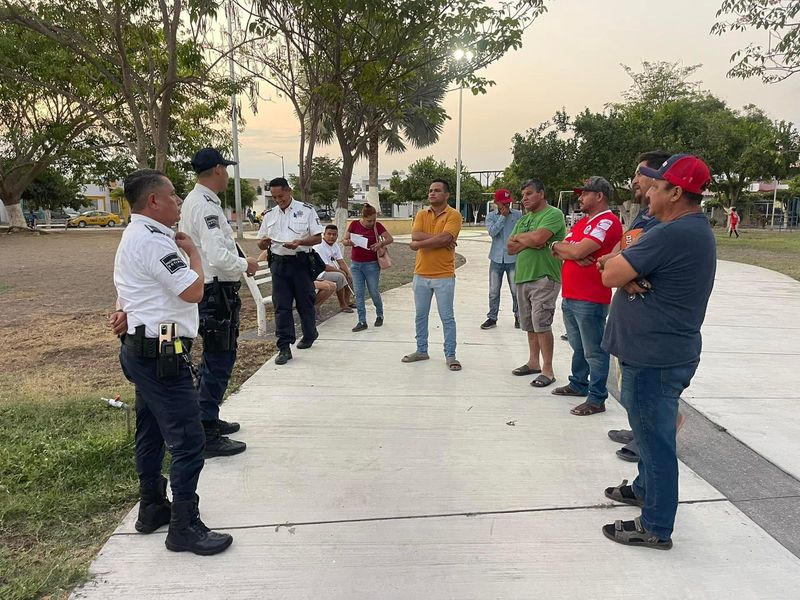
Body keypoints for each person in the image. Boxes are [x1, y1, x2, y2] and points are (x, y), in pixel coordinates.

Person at [112, 168, 232, 555]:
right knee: (189, 440)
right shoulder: (156, 243)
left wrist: (126, 311)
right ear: (153, 202)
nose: (179, 202)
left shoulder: (133, 235)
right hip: (161, 358)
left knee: (149, 430)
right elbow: (193, 290)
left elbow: (127, 288)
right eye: (174, 196)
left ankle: (152, 507)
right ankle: (184, 525)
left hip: (141, 350)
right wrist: (194, 252)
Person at [599, 154, 715, 550]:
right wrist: (626, 270)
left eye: (658, 186)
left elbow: (611, 272)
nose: (649, 191)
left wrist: (621, 270)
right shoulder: (684, 229)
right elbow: (621, 268)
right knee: (650, 435)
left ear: (676, 192)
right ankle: (644, 488)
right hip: (658, 353)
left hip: (655, 357)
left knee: (655, 442)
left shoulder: (672, 233)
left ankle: (655, 525)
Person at [178, 148, 257, 458]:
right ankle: (206, 431)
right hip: (215, 292)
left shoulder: (199, 201)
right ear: (217, 170)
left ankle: (206, 418)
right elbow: (218, 257)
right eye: (225, 168)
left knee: (216, 357)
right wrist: (245, 263)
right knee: (220, 359)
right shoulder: (205, 206)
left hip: (212, 290)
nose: (227, 174)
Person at [550, 176, 622, 415]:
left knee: (594, 350)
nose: (580, 198)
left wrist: (571, 251)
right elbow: (559, 247)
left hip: (591, 297)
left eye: (585, 193)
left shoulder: (607, 222)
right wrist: (567, 251)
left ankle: (597, 396)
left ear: (599, 196)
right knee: (577, 346)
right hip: (571, 294)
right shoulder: (584, 223)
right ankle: (578, 383)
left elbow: (578, 249)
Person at [506, 179, 566, 387]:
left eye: (529, 194)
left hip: (544, 277)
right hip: (523, 277)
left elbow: (540, 238)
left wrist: (530, 240)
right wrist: (530, 240)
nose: (524, 199)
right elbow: (510, 247)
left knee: (542, 323)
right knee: (529, 324)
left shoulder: (553, 214)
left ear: (541, 193)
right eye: (523, 195)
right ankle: (533, 363)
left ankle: (548, 370)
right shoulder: (524, 220)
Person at [257, 177, 323, 365]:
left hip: (300, 263)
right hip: (278, 265)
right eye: (275, 197)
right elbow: (261, 240)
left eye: (281, 196)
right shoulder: (269, 214)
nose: (279, 200)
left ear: (289, 191)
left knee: (305, 303)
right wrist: (263, 243)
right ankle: (284, 347)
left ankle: (310, 333)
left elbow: (318, 238)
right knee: (282, 306)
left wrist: (300, 242)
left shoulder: (306, 210)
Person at [402, 179, 462, 370]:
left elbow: (444, 237)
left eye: (437, 191)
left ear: (446, 195)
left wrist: (420, 244)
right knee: (421, 315)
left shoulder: (454, 215)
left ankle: (451, 355)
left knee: (447, 317)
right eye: (430, 190)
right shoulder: (421, 214)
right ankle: (421, 350)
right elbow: (416, 235)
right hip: (421, 274)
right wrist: (440, 240)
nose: (432, 194)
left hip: (444, 275)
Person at [342, 204, 393, 332]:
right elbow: (344, 240)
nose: (372, 223)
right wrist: (349, 242)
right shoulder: (354, 225)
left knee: (373, 291)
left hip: (372, 264)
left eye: (374, 220)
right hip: (356, 264)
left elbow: (390, 238)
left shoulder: (377, 226)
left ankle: (380, 314)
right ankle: (362, 321)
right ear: (362, 217)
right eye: (369, 220)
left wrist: (380, 243)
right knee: (359, 293)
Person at [481, 188, 523, 330]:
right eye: (503, 203)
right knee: (493, 291)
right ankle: (492, 317)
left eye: (508, 202)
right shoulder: (491, 216)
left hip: (513, 258)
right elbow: (492, 232)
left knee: (515, 290)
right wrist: (502, 217)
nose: (507, 206)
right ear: (496, 202)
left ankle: (519, 316)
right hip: (496, 258)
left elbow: (523, 233)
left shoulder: (518, 215)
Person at [314, 224, 355, 313]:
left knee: (350, 274)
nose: (331, 237)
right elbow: (324, 266)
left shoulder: (335, 245)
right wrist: (340, 271)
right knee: (339, 276)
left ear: (337, 236)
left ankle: (347, 301)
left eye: (334, 234)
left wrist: (348, 272)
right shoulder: (319, 246)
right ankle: (342, 304)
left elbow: (340, 261)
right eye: (329, 234)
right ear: (324, 234)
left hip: (330, 270)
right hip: (319, 272)